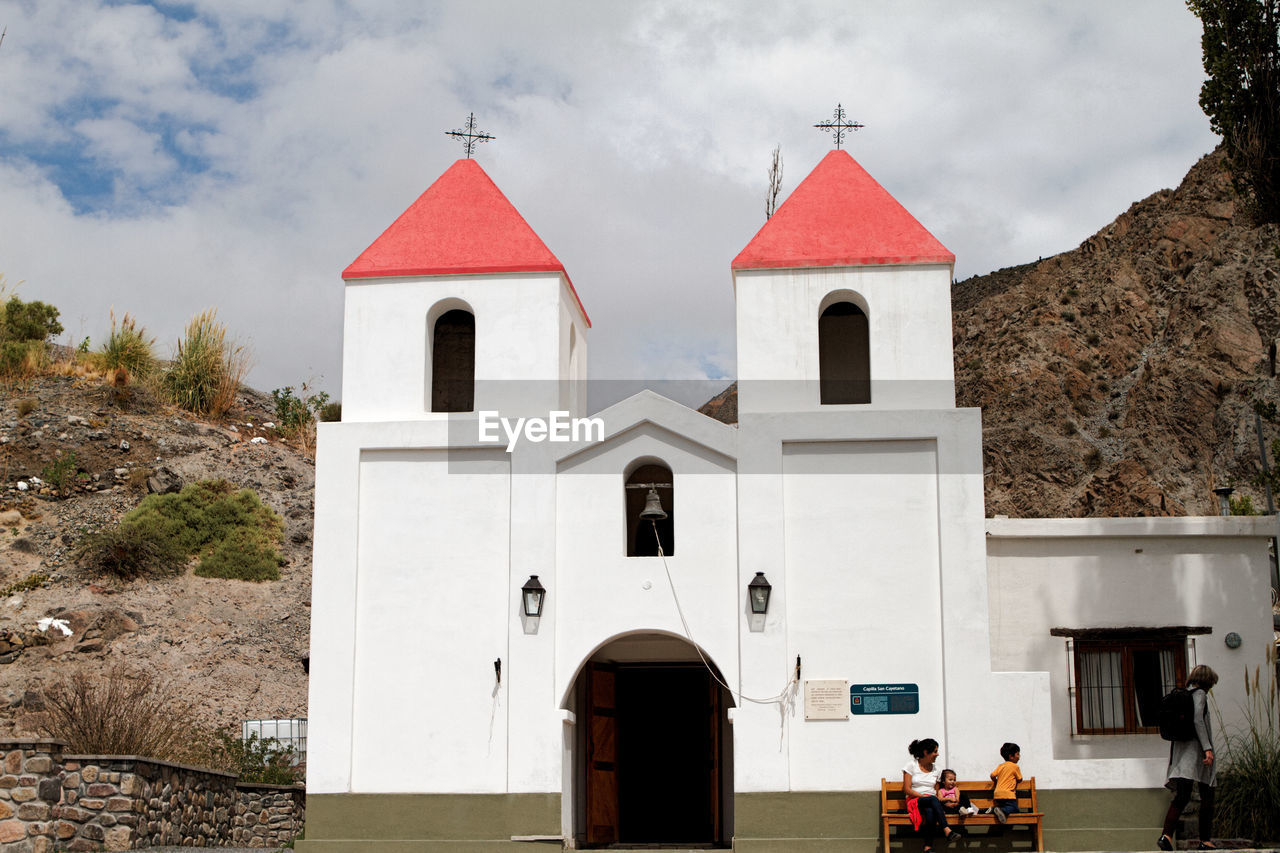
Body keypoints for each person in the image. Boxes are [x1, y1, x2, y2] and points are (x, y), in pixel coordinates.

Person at [1159, 665, 1220, 851]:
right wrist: (1207, 749)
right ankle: (1205, 840)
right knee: (1207, 794)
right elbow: (1197, 721)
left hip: (1181, 753)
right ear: (1208, 681)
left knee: (1182, 796)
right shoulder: (1200, 694)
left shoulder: (1185, 695)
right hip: (1197, 753)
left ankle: (1166, 836)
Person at [902, 738, 964, 851]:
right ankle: (947, 830)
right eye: (935, 751)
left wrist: (945, 802)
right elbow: (906, 789)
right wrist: (923, 797)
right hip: (915, 800)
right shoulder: (911, 765)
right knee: (932, 799)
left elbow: (936, 791)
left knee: (931, 811)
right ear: (926, 752)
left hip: (931, 802)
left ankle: (928, 847)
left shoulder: (937, 769)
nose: (937, 754)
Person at [987, 742, 1022, 824]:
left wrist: (996, 781)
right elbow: (1020, 779)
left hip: (997, 794)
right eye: (1018, 754)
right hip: (1008, 794)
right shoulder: (1015, 767)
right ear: (1011, 756)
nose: (1019, 757)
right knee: (1015, 809)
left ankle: (993, 810)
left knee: (1004, 807)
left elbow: (992, 775)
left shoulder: (1001, 766)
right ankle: (1001, 810)